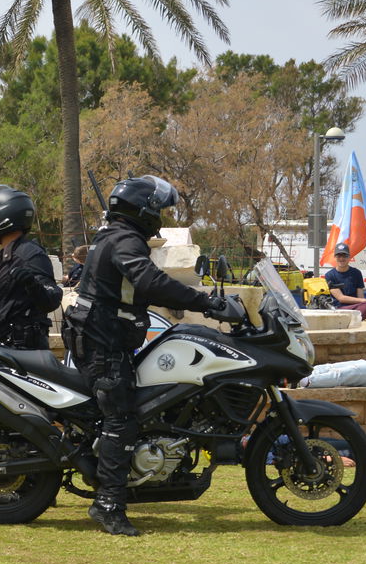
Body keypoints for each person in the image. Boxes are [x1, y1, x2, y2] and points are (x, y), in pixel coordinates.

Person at [68, 175, 247, 537]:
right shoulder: (124, 240)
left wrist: (183, 302)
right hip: (103, 344)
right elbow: (149, 281)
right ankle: (109, 506)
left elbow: (141, 286)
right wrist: (207, 303)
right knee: (121, 418)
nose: (162, 216)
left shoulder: (117, 237)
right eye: (159, 209)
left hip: (105, 338)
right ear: (143, 210)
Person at [0, 185, 63, 350]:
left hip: (25, 350)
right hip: (5, 344)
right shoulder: (3, 256)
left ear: (3, 218)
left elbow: (51, 299)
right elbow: (7, 309)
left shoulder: (30, 255)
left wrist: (33, 284)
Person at [324, 243, 366, 319]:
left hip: (355, 308)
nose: (341, 258)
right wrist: (363, 301)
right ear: (335, 257)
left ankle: (352, 320)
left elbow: (360, 296)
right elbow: (341, 298)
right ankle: (353, 320)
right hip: (339, 309)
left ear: (349, 257)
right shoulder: (329, 275)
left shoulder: (356, 273)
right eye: (339, 256)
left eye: (344, 256)